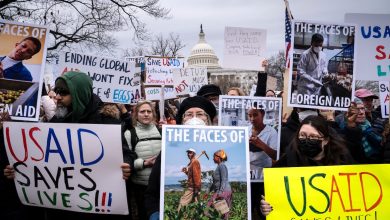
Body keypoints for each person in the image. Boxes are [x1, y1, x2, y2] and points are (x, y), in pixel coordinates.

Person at [3, 71, 135, 220]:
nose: (57, 97)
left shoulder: (106, 122)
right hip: (63, 210)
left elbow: (127, 154)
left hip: (94, 209)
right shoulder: (57, 121)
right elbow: (39, 159)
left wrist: (127, 166)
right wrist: (19, 169)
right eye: (57, 91)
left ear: (79, 94)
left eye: (64, 92)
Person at [260, 115, 354, 216]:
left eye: (313, 137)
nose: (307, 140)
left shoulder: (342, 162)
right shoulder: (285, 164)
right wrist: (264, 209)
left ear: (326, 140)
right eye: (302, 135)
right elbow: (268, 197)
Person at [144, 96, 216, 219]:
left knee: (199, 208)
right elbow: (152, 191)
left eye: (200, 114)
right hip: (193, 187)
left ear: (208, 119)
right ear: (182, 119)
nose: (194, 118)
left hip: (197, 188)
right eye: (189, 114)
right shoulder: (168, 149)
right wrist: (154, 214)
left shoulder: (216, 147)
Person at [126, 100, 161, 220]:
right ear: (136, 115)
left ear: (153, 114)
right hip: (141, 186)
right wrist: (144, 163)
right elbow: (127, 161)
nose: (146, 114)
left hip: (159, 185)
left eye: (149, 111)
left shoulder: (161, 131)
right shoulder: (129, 134)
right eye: (142, 112)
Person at [335, 98, 383, 163]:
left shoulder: (373, 127)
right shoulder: (340, 132)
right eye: (356, 109)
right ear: (347, 113)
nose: (361, 112)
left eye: (362, 108)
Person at [206, 149, 232, 219]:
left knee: (207, 209)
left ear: (218, 157)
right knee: (224, 212)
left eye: (214, 156)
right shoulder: (219, 166)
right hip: (223, 190)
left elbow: (224, 180)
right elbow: (215, 183)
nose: (213, 158)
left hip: (223, 191)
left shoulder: (222, 166)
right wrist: (208, 192)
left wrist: (220, 193)